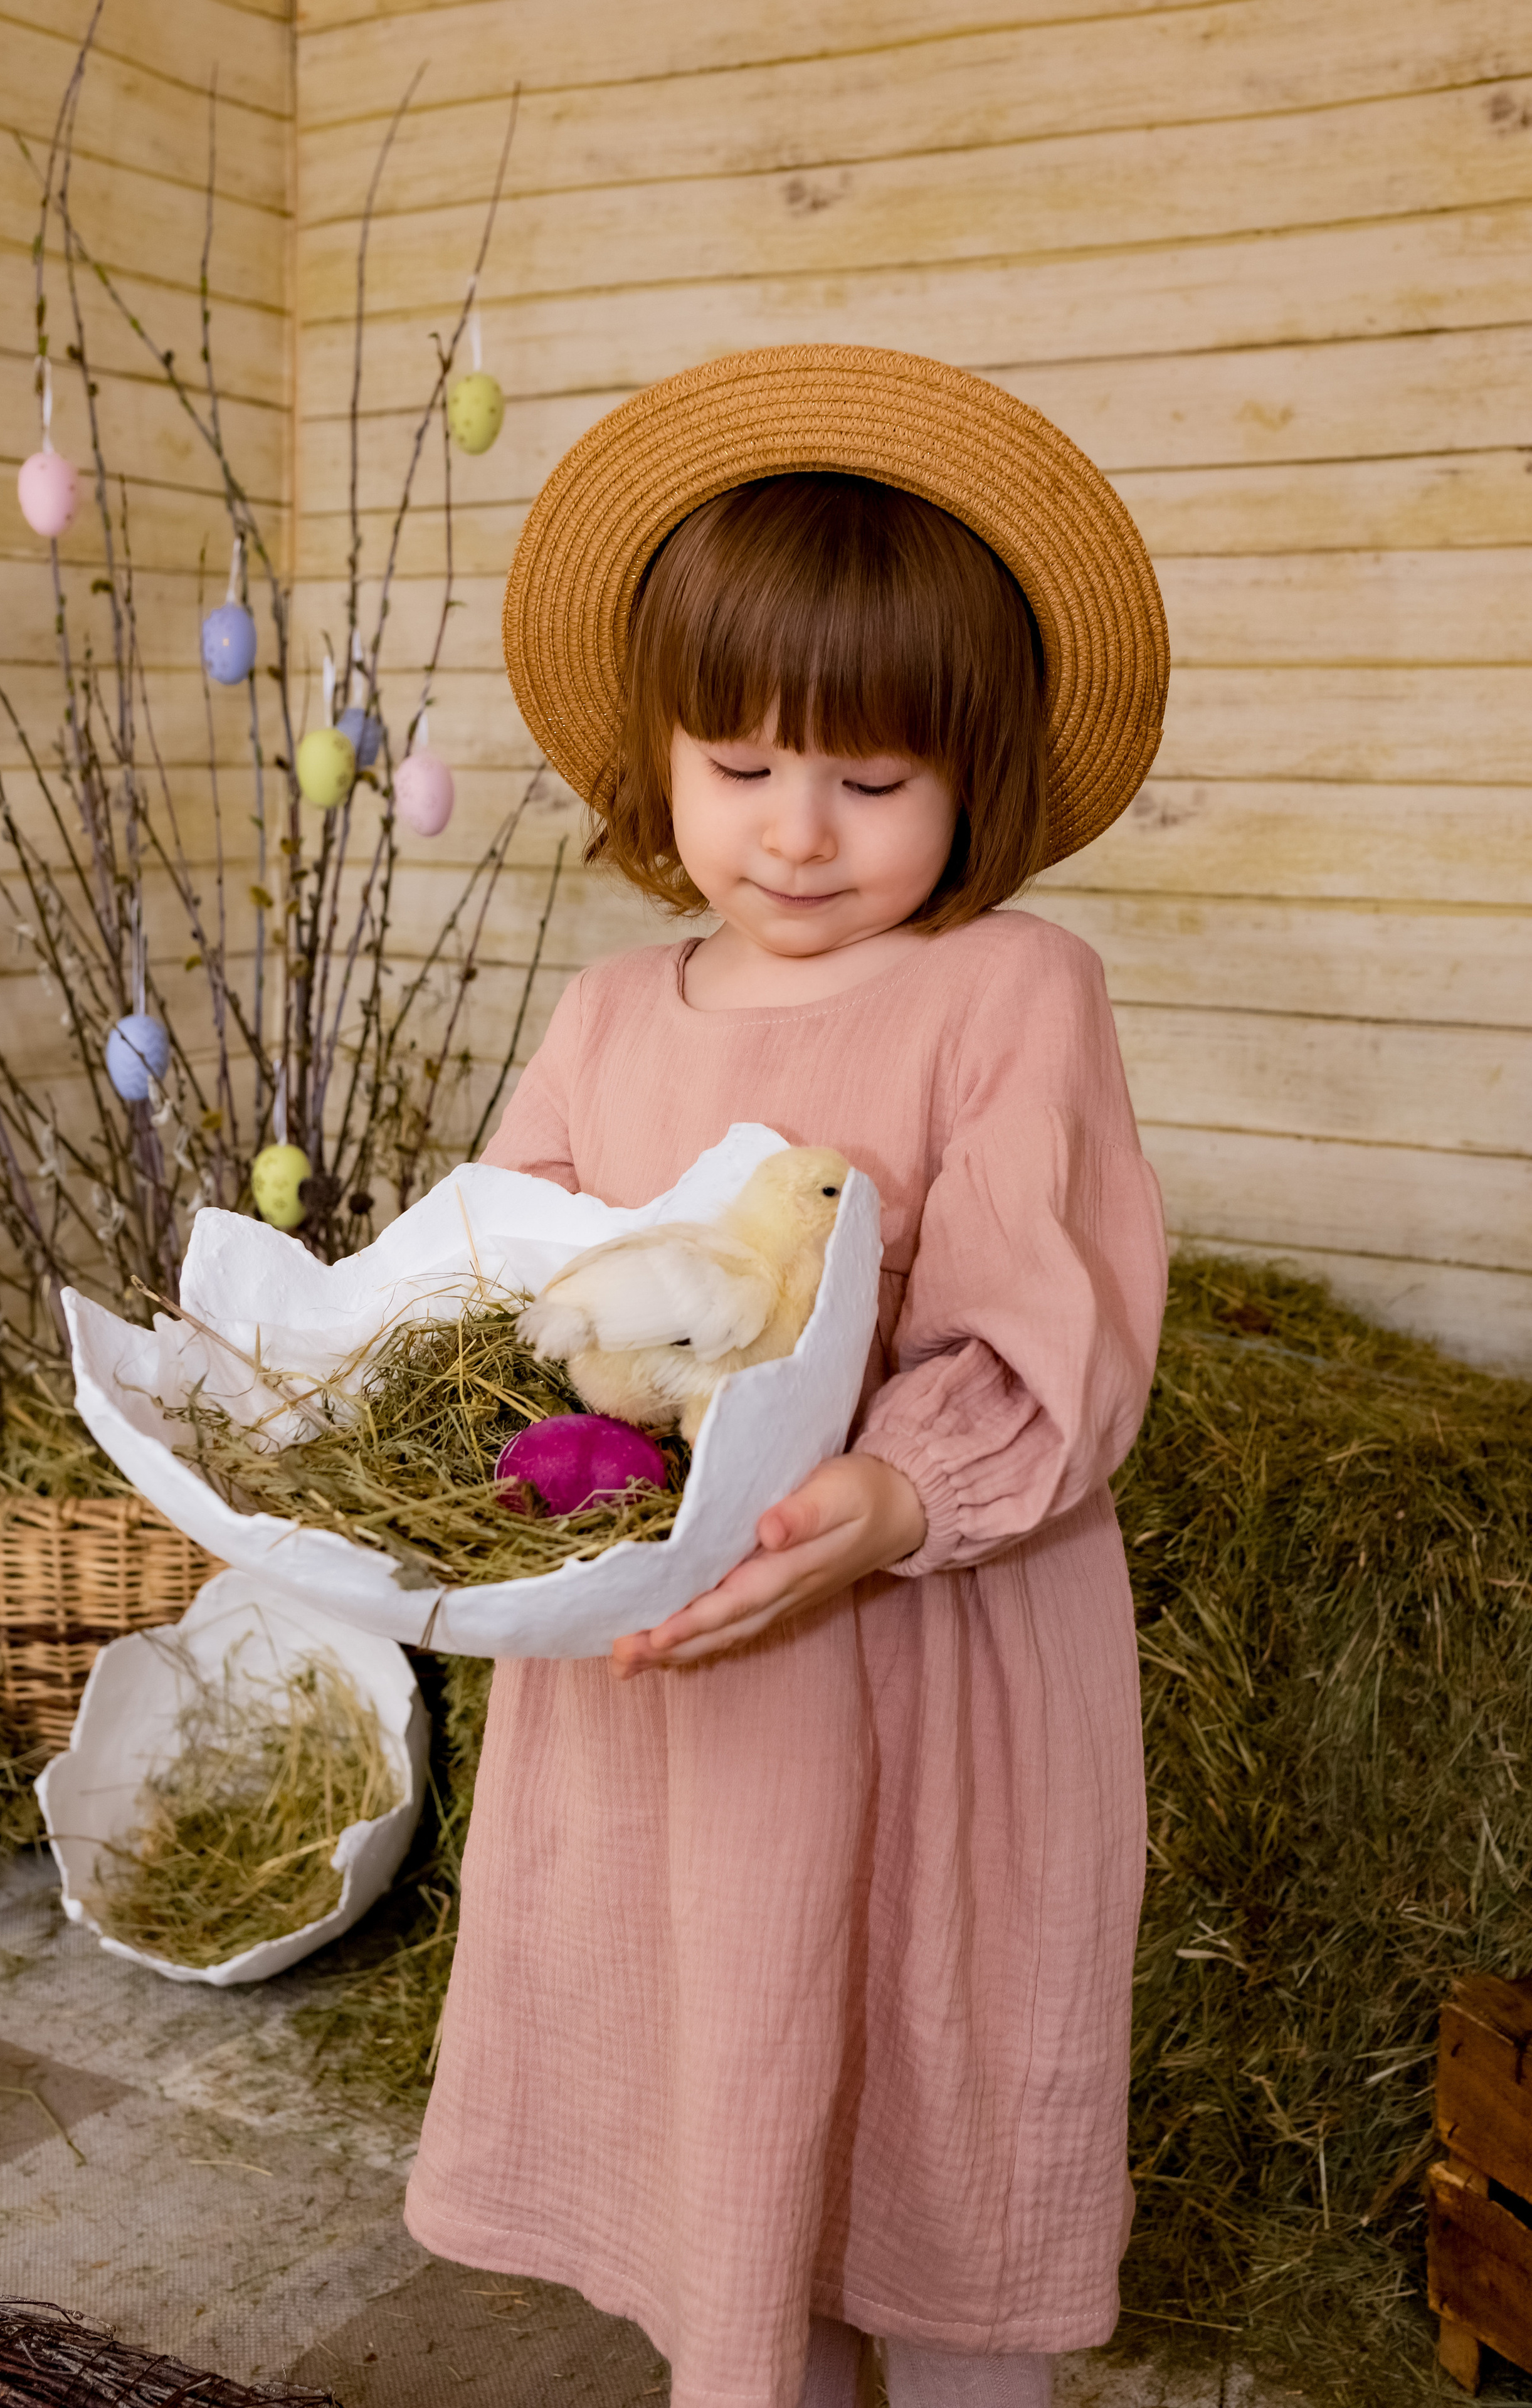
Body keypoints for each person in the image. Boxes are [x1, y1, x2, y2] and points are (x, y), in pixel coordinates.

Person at [405, 346, 1171, 2408]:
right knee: (733, 2135)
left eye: (874, 779)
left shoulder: (1009, 991)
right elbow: (507, 1285)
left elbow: (1052, 1321)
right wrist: (474, 1444)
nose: (800, 835)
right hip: (676, 1683)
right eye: (741, 764)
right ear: (657, 754)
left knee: (927, 2116)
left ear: (976, 774)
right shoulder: (607, 1014)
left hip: (920, 1666)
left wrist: (897, 1491)